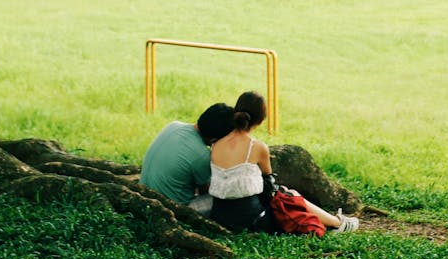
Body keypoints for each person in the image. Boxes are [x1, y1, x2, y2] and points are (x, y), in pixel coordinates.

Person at [209, 91, 359, 234]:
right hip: (252, 219)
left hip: (220, 215)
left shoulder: (216, 144)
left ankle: (337, 222)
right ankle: (338, 223)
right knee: (290, 195)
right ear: (261, 119)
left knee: (286, 193)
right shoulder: (257, 147)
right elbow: (269, 180)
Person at [140, 103, 234, 214]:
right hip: (173, 209)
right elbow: (205, 190)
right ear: (215, 139)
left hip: (142, 195)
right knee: (228, 197)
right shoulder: (201, 155)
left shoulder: (173, 125)